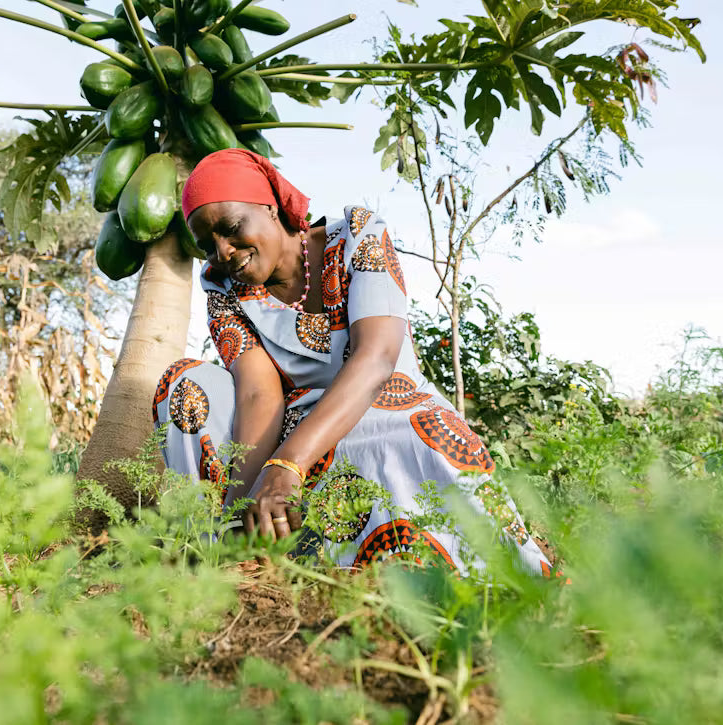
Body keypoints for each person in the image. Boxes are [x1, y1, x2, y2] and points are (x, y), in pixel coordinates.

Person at [152, 148, 551, 577]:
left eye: (231, 229)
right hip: (288, 428)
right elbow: (256, 393)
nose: (224, 251)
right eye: (208, 245)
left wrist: (289, 466)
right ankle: (233, 556)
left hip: (384, 403)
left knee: (407, 433)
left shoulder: (357, 236)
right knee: (186, 382)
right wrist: (242, 507)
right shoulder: (222, 287)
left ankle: (437, 569)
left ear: (269, 206)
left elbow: (376, 357)